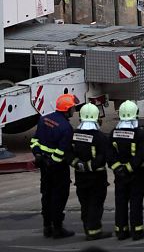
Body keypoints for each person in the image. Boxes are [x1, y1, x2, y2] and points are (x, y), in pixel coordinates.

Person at [30, 93, 79, 239]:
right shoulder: (66, 128)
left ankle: (47, 226)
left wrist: (38, 155)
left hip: (44, 166)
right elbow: (61, 151)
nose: (74, 110)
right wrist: (52, 162)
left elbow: (34, 141)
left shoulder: (44, 119)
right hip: (57, 168)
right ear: (67, 110)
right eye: (72, 108)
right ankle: (57, 228)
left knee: (46, 195)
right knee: (59, 196)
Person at [69, 103, 111, 241]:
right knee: (95, 204)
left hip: (80, 177)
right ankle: (94, 231)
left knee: (85, 203)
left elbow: (68, 154)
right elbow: (103, 156)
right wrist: (89, 166)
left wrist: (79, 165)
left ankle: (88, 227)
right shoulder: (100, 137)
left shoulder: (74, 135)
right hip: (97, 177)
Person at [108, 100, 144, 240]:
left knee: (121, 201)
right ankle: (137, 231)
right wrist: (130, 167)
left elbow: (109, 154)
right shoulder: (139, 133)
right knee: (136, 201)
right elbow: (142, 154)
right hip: (136, 174)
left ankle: (121, 230)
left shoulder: (113, 133)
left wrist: (118, 168)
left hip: (119, 175)